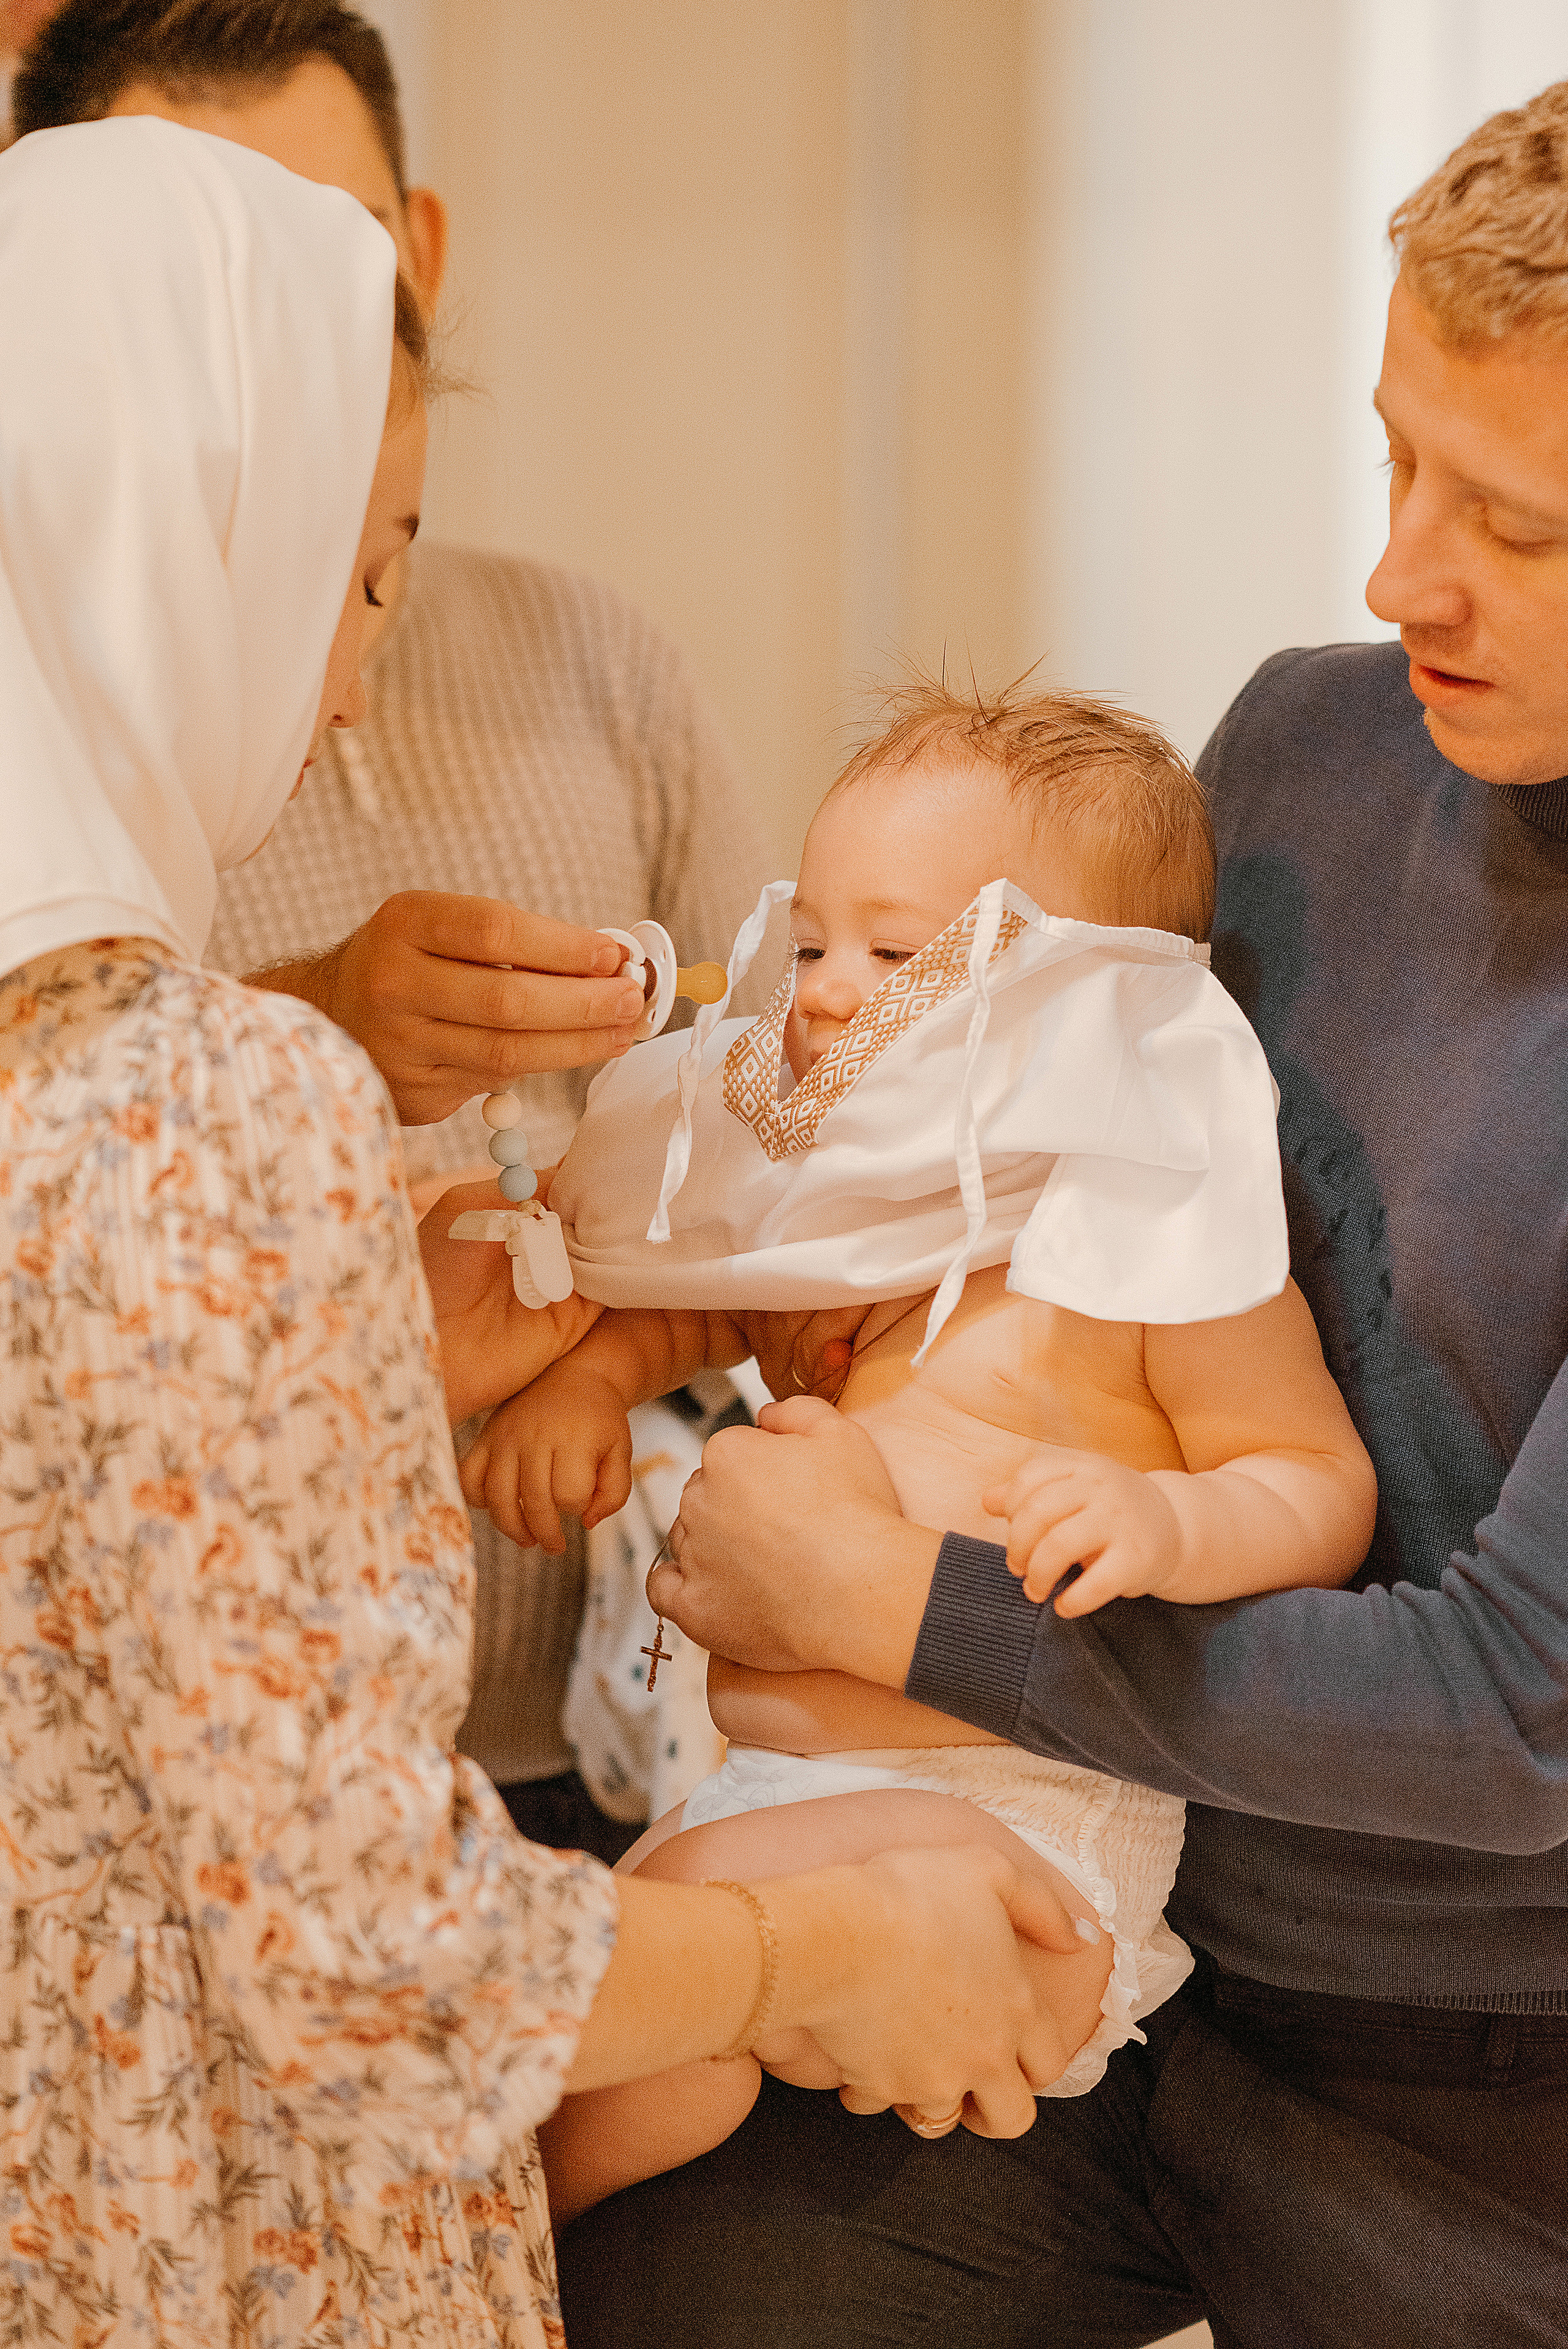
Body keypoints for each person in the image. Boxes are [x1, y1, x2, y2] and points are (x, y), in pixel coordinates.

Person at [0, 115, 1109, 2345]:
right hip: (216, 2229)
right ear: (190, 541)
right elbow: (361, 1960)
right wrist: (825, 1950)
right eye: (360, 564)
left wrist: (368, 1377)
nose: (344, 691)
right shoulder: (209, 1087)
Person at [557, 81, 1568, 2349]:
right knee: (620, 2271)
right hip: (1147, 1990)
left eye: (1511, 518)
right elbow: (1000, 1200)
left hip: (1497, 2131)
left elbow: (1526, 1716)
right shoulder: (1301, 757)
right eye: (1395, 456)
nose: (1402, 571)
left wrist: (905, 1600)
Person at [10, 0, 778, 1865]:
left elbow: (770, 1121)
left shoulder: (598, 664)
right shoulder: (169, 1033)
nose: (292, 372)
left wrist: (531, 1357)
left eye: (330, 273)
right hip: (319, 1837)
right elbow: (356, 1954)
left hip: (571, 1735)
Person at [463, 685, 1376, 2222]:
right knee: (622, 1981)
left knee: (644, 1948)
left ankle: (484, 2266)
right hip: (770, 1797)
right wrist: (587, 1383)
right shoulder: (872, 1223)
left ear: (1092, 1001)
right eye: (809, 944)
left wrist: (1162, 1522)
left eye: (894, 957)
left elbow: (1311, 1488)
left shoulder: (1144, 1247)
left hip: (1023, 1844)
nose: (821, 993)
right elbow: (701, 1307)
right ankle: (488, 2256)